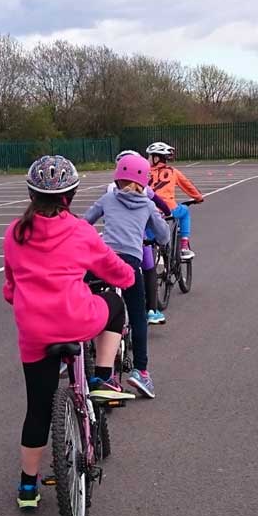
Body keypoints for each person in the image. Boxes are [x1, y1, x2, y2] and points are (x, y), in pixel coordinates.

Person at [3, 155, 136, 510]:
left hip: (33, 330)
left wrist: (18, 297)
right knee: (114, 306)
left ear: (31, 195)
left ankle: (27, 488)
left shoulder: (15, 232)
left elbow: (10, 286)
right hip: (77, 318)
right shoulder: (80, 230)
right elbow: (113, 269)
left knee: (37, 410)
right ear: (71, 195)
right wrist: (128, 278)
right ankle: (103, 378)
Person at [84, 155, 170, 399]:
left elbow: (85, 222)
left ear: (117, 177)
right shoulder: (147, 204)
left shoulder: (109, 198)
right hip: (130, 265)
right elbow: (163, 236)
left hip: (104, 260)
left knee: (81, 293)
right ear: (144, 180)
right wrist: (154, 234)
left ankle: (71, 351)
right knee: (138, 316)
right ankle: (141, 371)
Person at [110, 150, 171, 325]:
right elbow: (161, 204)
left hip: (111, 241)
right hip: (138, 239)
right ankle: (152, 309)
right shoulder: (145, 192)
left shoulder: (110, 191)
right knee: (149, 268)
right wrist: (168, 212)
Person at [146, 142, 204, 259]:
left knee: (149, 230)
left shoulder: (145, 172)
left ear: (156, 158)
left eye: (149, 156)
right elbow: (188, 186)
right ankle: (184, 246)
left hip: (149, 210)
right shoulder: (173, 172)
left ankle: (153, 252)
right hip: (169, 209)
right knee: (185, 211)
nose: (147, 159)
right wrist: (198, 198)